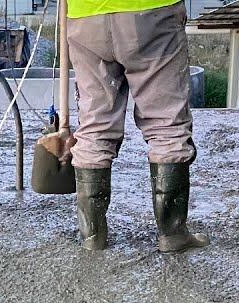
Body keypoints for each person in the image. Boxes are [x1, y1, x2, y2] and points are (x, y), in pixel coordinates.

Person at [66, 0, 208, 253]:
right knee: (166, 123)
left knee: (94, 126)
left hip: (85, 17)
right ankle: (172, 233)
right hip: (152, 12)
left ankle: (93, 237)